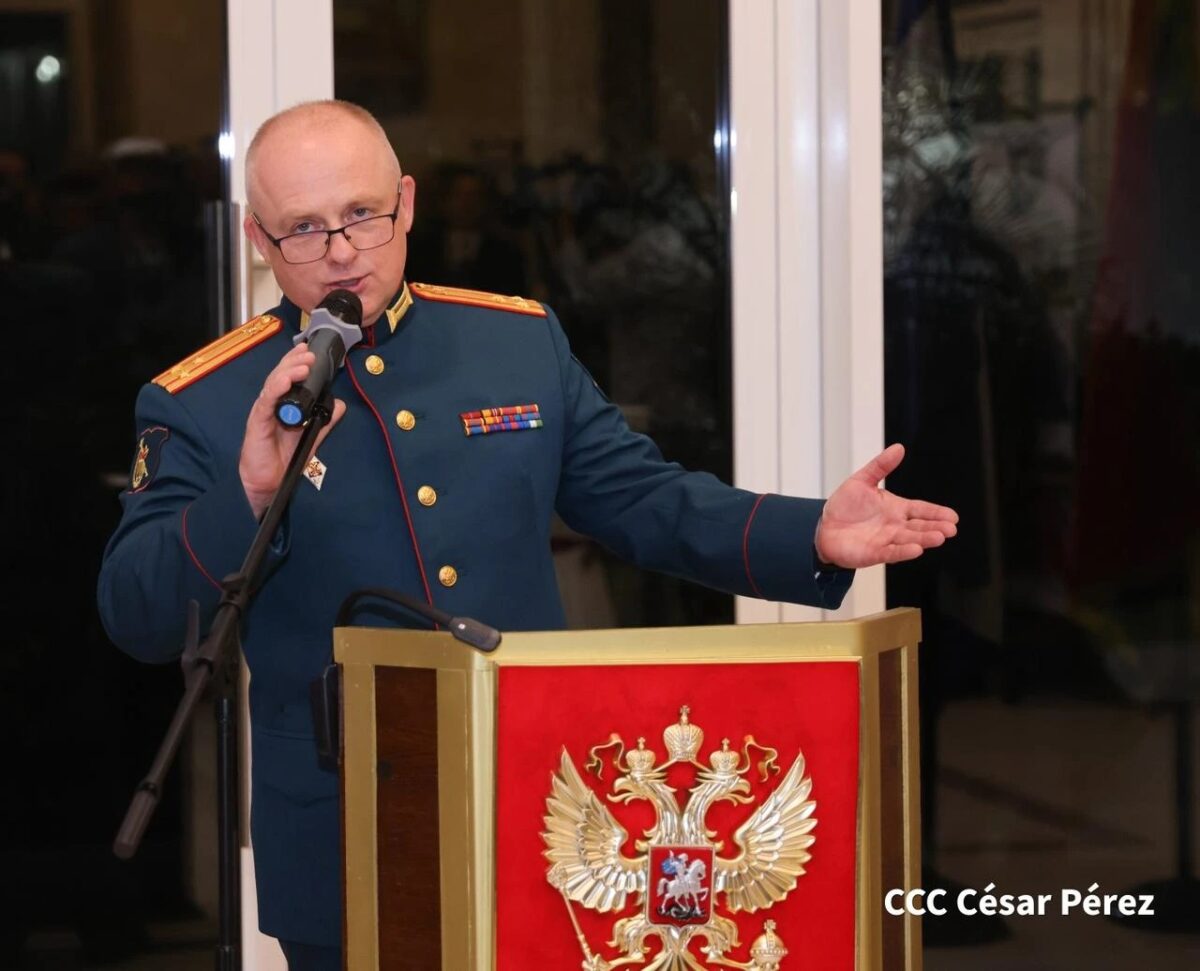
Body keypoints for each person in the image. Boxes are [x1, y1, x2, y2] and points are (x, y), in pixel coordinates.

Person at [97, 100, 957, 970]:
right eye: (305, 229)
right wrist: (248, 489)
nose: (344, 250)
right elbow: (136, 611)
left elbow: (640, 498)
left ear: (407, 202)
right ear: (258, 238)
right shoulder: (207, 398)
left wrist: (812, 532)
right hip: (341, 828)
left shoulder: (513, 342)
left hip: (536, 799)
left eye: (362, 213)